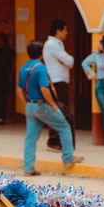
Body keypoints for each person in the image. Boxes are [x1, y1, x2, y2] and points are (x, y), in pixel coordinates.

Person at [17, 41, 83, 176]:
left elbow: (19, 89)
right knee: (64, 126)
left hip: (30, 106)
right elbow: (44, 88)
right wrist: (53, 104)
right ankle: (68, 159)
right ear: (41, 53)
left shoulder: (23, 68)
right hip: (43, 105)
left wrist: (27, 103)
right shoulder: (41, 68)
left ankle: (28, 168)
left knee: (31, 137)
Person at [43, 19, 75, 151]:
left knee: (60, 110)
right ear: (58, 31)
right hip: (57, 82)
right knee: (60, 111)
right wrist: (66, 61)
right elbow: (69, 60)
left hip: (59, 81)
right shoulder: (52, 44)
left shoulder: (56, 44)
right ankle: (54, 140)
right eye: (65, 30)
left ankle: (57, 140)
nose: (67, 33)